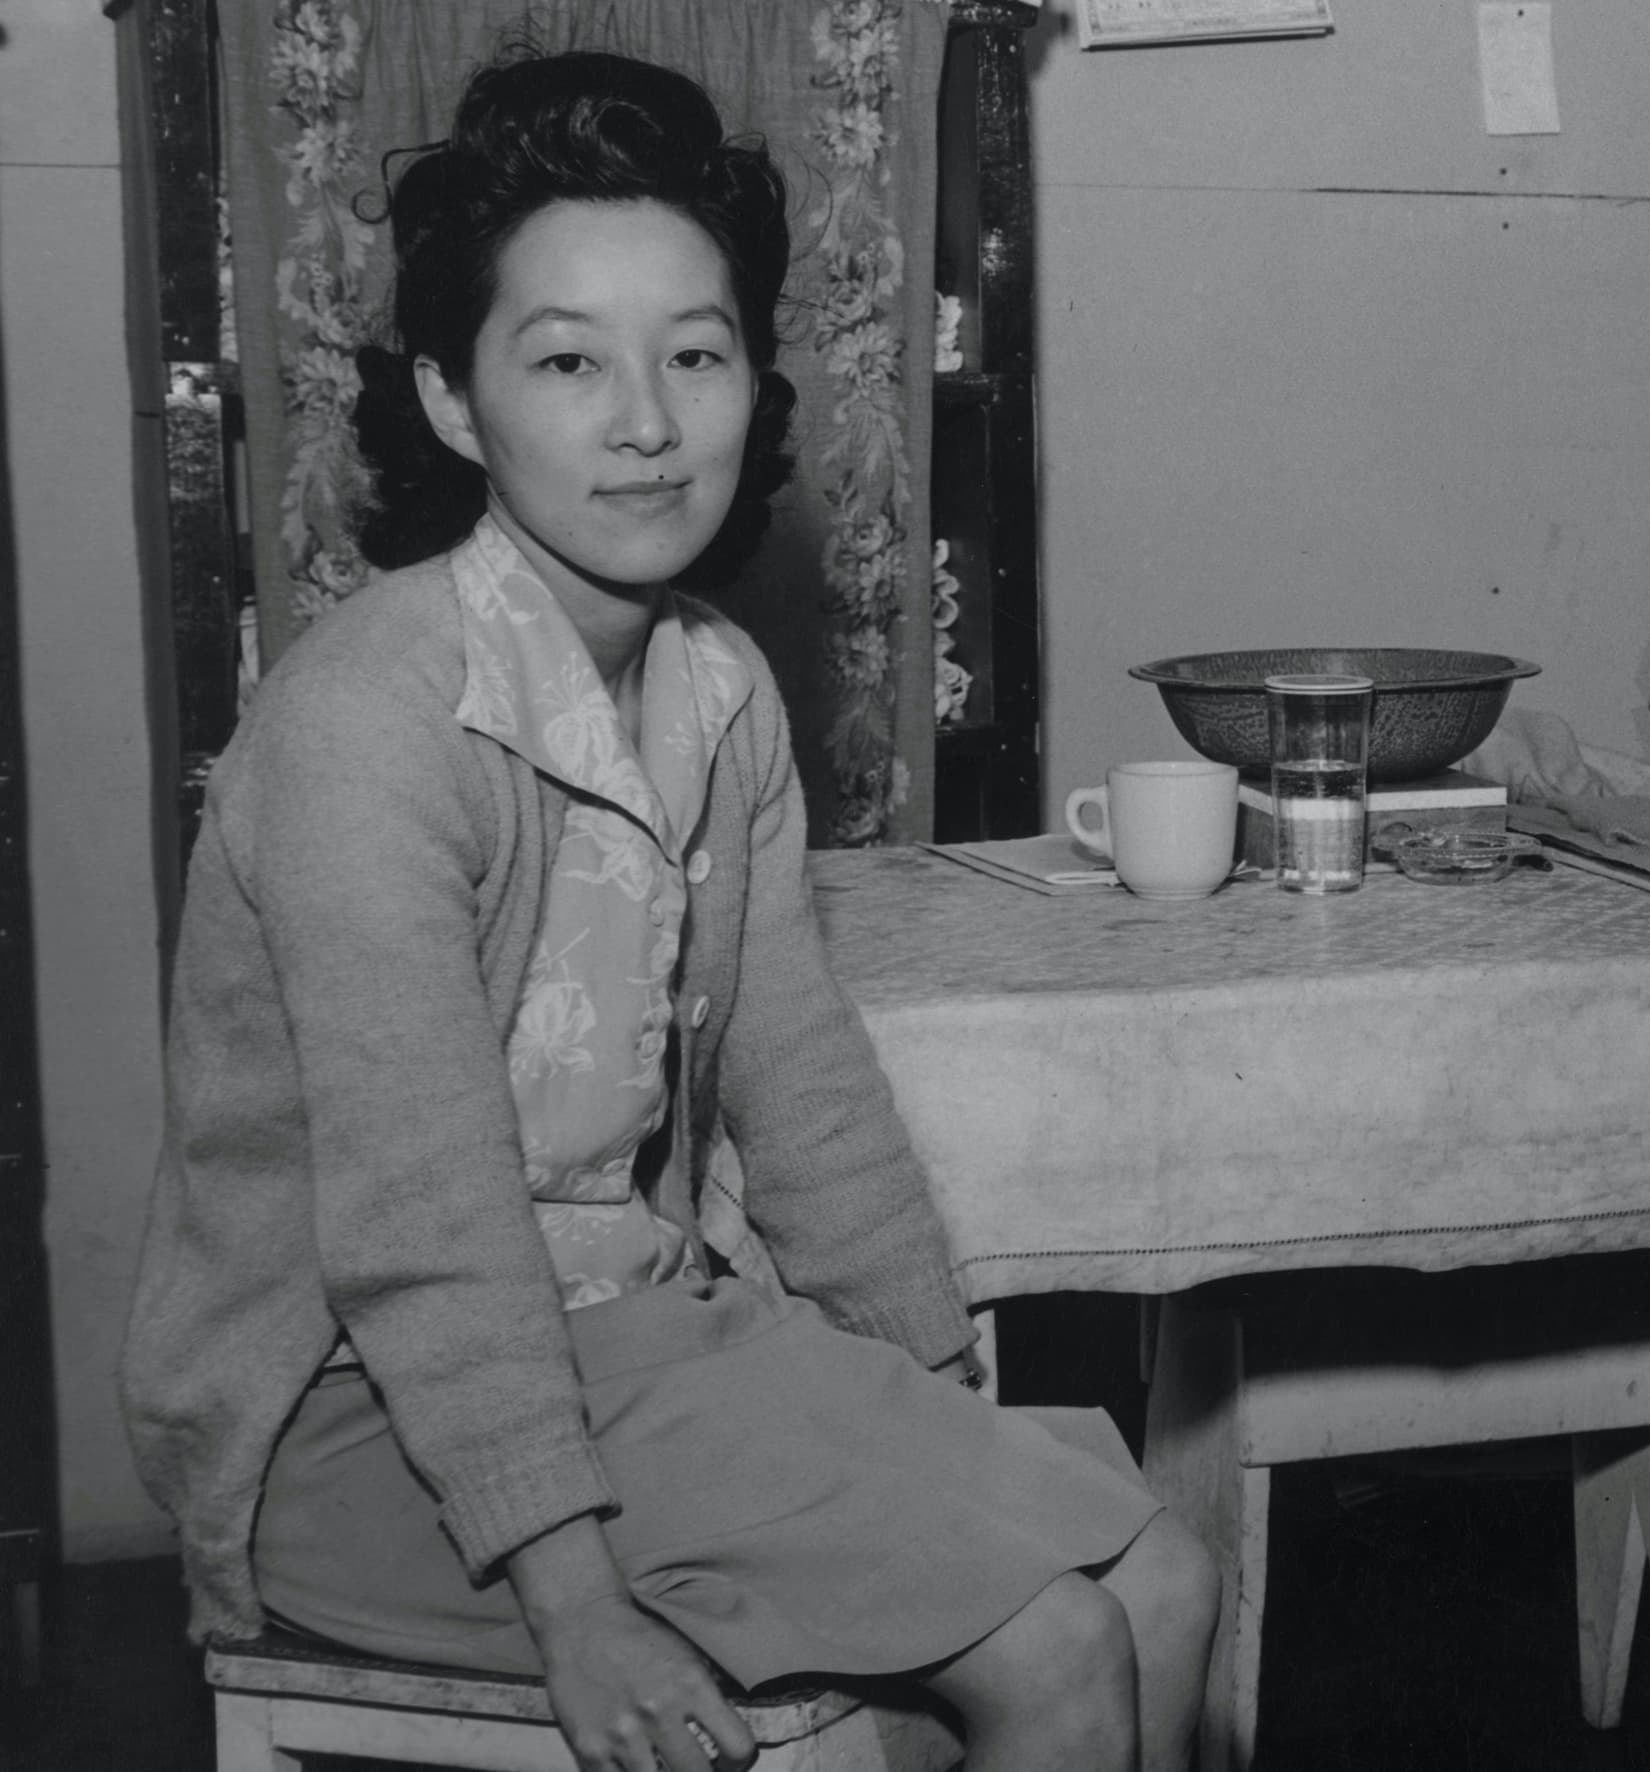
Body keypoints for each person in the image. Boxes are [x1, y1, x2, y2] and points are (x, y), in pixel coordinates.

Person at [120, 52, 1216, 1772]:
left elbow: (805, 1082)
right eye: (568, 360)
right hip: (355, 1423)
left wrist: (921, 1409)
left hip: (645, 1346)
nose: (647, 419)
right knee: (1055, 1643)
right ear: (458, 402)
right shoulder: (369, 726)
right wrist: (573, 1601)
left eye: (695, 353)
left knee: (1160, 1575)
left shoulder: (716, 688)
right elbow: (425, 1220)